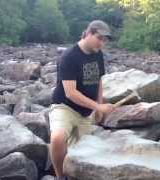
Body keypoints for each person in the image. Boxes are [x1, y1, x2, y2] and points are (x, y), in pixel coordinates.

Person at [48, 20, 116, 180]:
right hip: (64, 107)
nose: (102, 43)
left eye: (105, 40)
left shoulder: (98, 54)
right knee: (57, 138)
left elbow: (98, 80)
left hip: (86, 113)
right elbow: (71, 93)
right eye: (99, 38)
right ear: (88, 33)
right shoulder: (69, 56)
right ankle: (60, 177)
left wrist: (98, 105)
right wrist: (98, 107)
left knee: (82, 158)